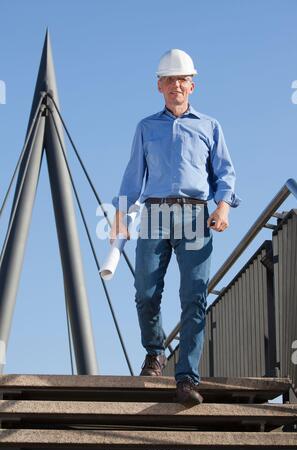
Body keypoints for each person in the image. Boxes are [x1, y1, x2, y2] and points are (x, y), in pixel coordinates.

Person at [110, 49, 241, 406]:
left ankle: (186, 378)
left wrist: (223, 207)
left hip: (196, 217)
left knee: (194, 296)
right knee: (145, 291)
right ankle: (156, 352)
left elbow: (225, 176)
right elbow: (131, 179)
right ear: (159, 86)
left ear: (192, 85)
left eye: (182, 80)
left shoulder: (210, 127)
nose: (176, 86)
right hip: (153, 215)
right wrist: (120, 216)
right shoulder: (146, 127)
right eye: (169, 80)